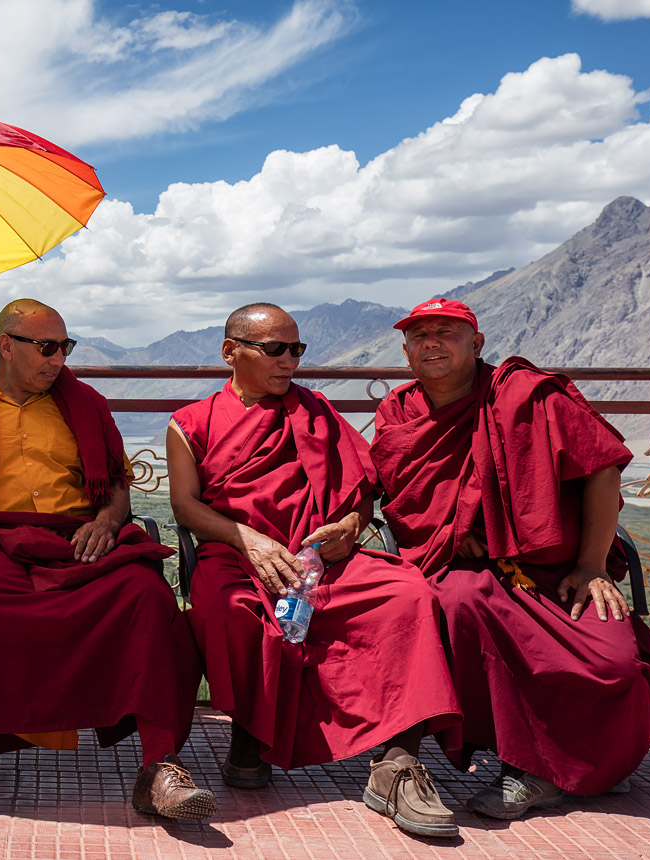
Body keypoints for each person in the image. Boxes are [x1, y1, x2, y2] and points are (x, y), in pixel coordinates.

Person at [0, 298, 214, 821]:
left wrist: (108, 522)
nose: (58, 358)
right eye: (46, 347)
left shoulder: (83, 403)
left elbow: (115, 488)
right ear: (5, 346)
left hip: (77, 541)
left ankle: (160, 768)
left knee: (147, 596)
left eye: (65, 346)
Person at [370, 298, 650, 820]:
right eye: (420, 336)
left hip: (553, 570)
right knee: (452, 606)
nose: (432, 343)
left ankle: (584, 767)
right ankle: (520, 765)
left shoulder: (525, 396)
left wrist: (591, 565)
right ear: (405, 351)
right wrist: (449, 532)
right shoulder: (399, 412)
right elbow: (402, 497)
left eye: (446, 332)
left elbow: (602, 466)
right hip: (463, 569)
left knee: (616, 667)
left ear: (478, 344)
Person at [166, 303, 464, 839]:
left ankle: (397, 764)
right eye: (275, 349)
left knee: (408, 593)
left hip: (322, 556)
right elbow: (186, 507)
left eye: (296, 349)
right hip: (238, 553)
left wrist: (351, 523)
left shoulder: (316, 411)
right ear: (231, 352)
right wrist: (248, 539)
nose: (290, 362)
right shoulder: (193, 423)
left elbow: (360, 489)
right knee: (231, 607)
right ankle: (250, 734)